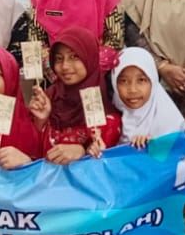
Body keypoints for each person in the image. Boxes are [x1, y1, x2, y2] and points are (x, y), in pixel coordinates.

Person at [28, 27, 122, 163]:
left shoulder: (106, 114)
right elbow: (32, 155)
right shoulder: (47, 99)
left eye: (74, 57)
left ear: (89, 57)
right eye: (59, 59)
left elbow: (106, 164)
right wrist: (40, 121)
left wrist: (83, 151)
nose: (65, 66)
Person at [111, 46, 185, 149]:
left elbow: (175, 154)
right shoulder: (109, 119)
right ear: (114, 83)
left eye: (141, 80)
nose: (133, 90)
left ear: (153, 80)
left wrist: (151, 146)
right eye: (123, 81)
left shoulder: (169, 122)